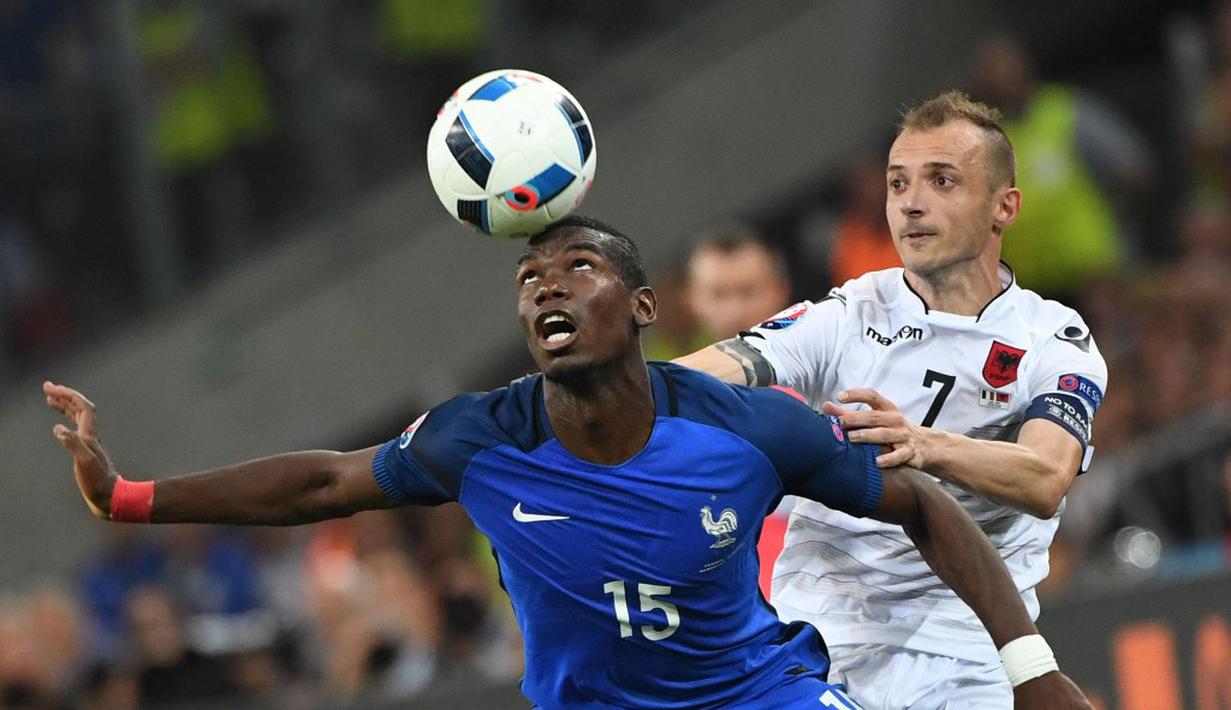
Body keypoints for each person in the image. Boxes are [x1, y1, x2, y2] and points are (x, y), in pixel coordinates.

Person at [46, 216, 1090, 709]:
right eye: (529, 277)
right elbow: (323, 481)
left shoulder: (745, 428)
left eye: (577, 267)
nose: (546, 286)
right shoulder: (477, 438)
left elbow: (921, 504)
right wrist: (125, 494)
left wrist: (1029, 669)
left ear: (640, 308)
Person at [677, 92, 1109, 708]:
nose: (911, 202)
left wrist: (922, 445)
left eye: (942, 181)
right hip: (814, 641)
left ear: (1004, 206)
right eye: (898, 183)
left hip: (964, 651)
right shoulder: (852, 311)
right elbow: (713, 370)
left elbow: (1045, 477)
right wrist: (606, 386)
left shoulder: (1052, 338)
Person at [685, 225, 792, 341]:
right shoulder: (680, 351)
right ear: (691, 299)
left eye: (748, 292)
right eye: (718, 295)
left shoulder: (806, 349)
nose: (734, 312)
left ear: (780, 290)